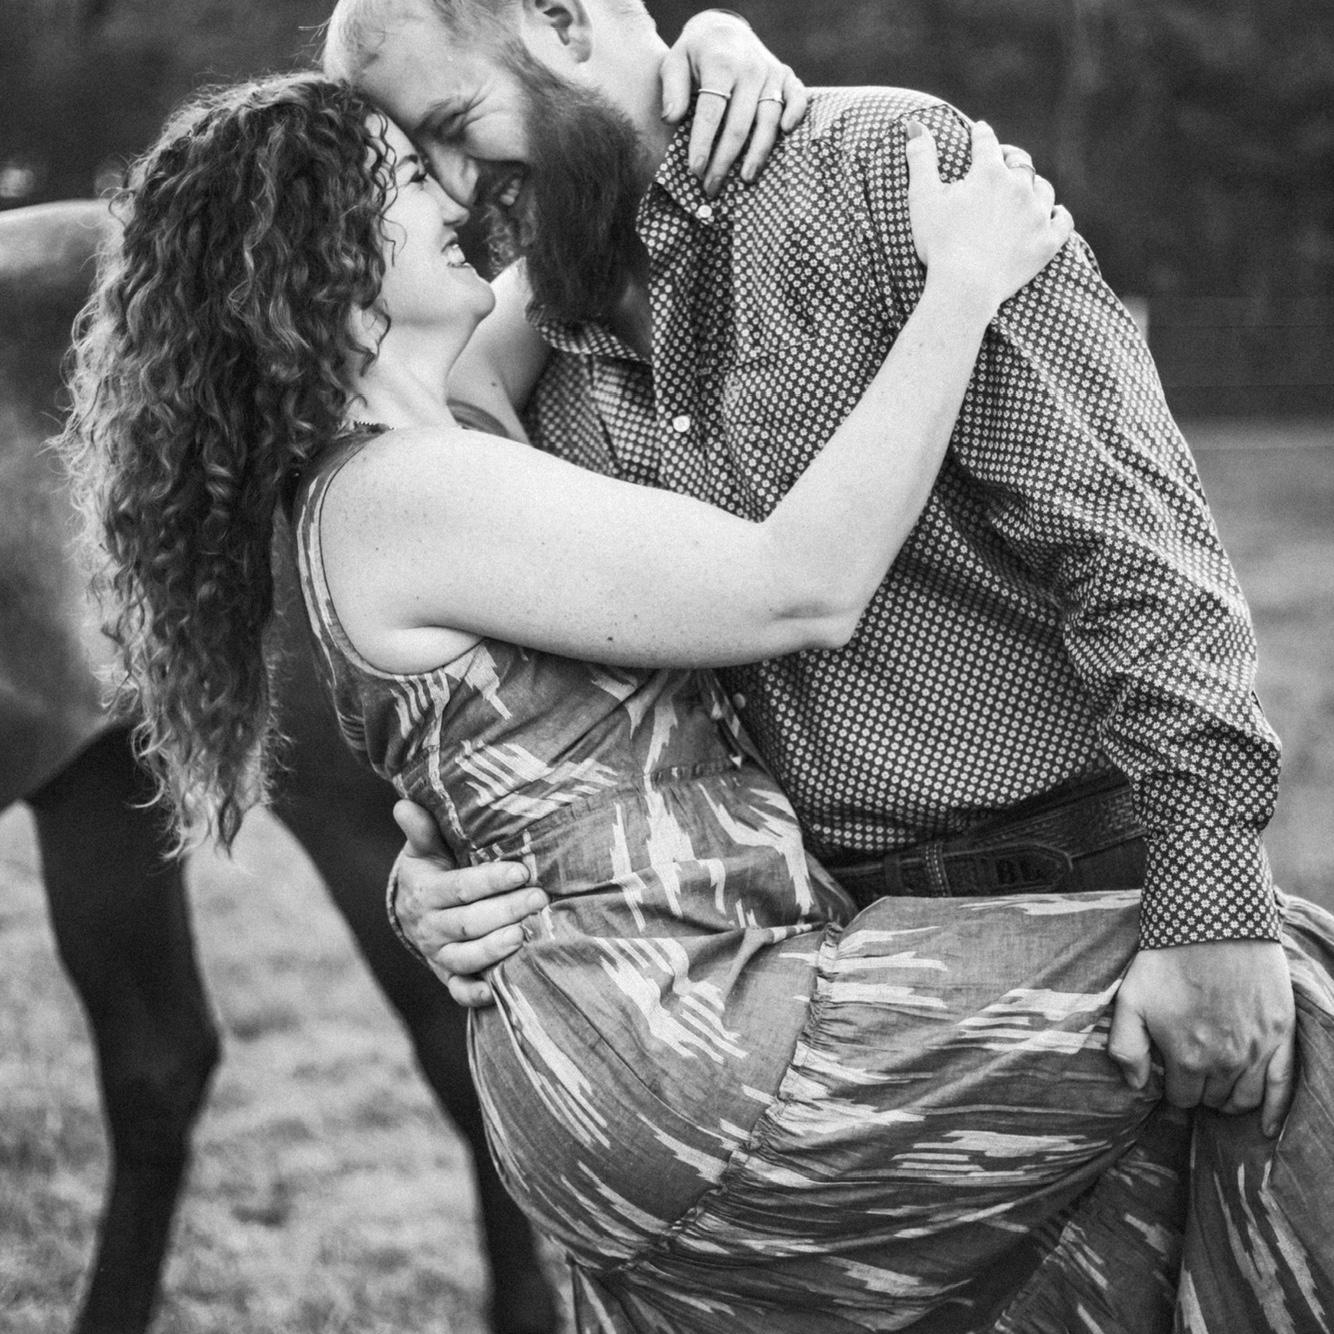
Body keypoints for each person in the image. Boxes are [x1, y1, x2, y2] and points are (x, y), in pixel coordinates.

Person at [61, 64, 1334, 1334]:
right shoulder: (401, 492)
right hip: (688, 1042)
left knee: (1101, 1254)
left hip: (652, 1031)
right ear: (321, 258)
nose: (455, 195)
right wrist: (956, 287)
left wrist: (701, 56)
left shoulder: (445, 423)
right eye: (409, 175)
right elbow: (798, 585)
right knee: (1288, 995)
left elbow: (604, 181)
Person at [335, 0, 1299, 1140]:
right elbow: (520, 710)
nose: (453, 189)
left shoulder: (889, 172)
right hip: (798, 954)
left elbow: (1135, 551)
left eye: (456, 124)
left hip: (1077, 871)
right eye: (420, 156)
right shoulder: (516, 338)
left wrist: (1210, 905)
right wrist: (436, 876)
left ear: (561, 21)